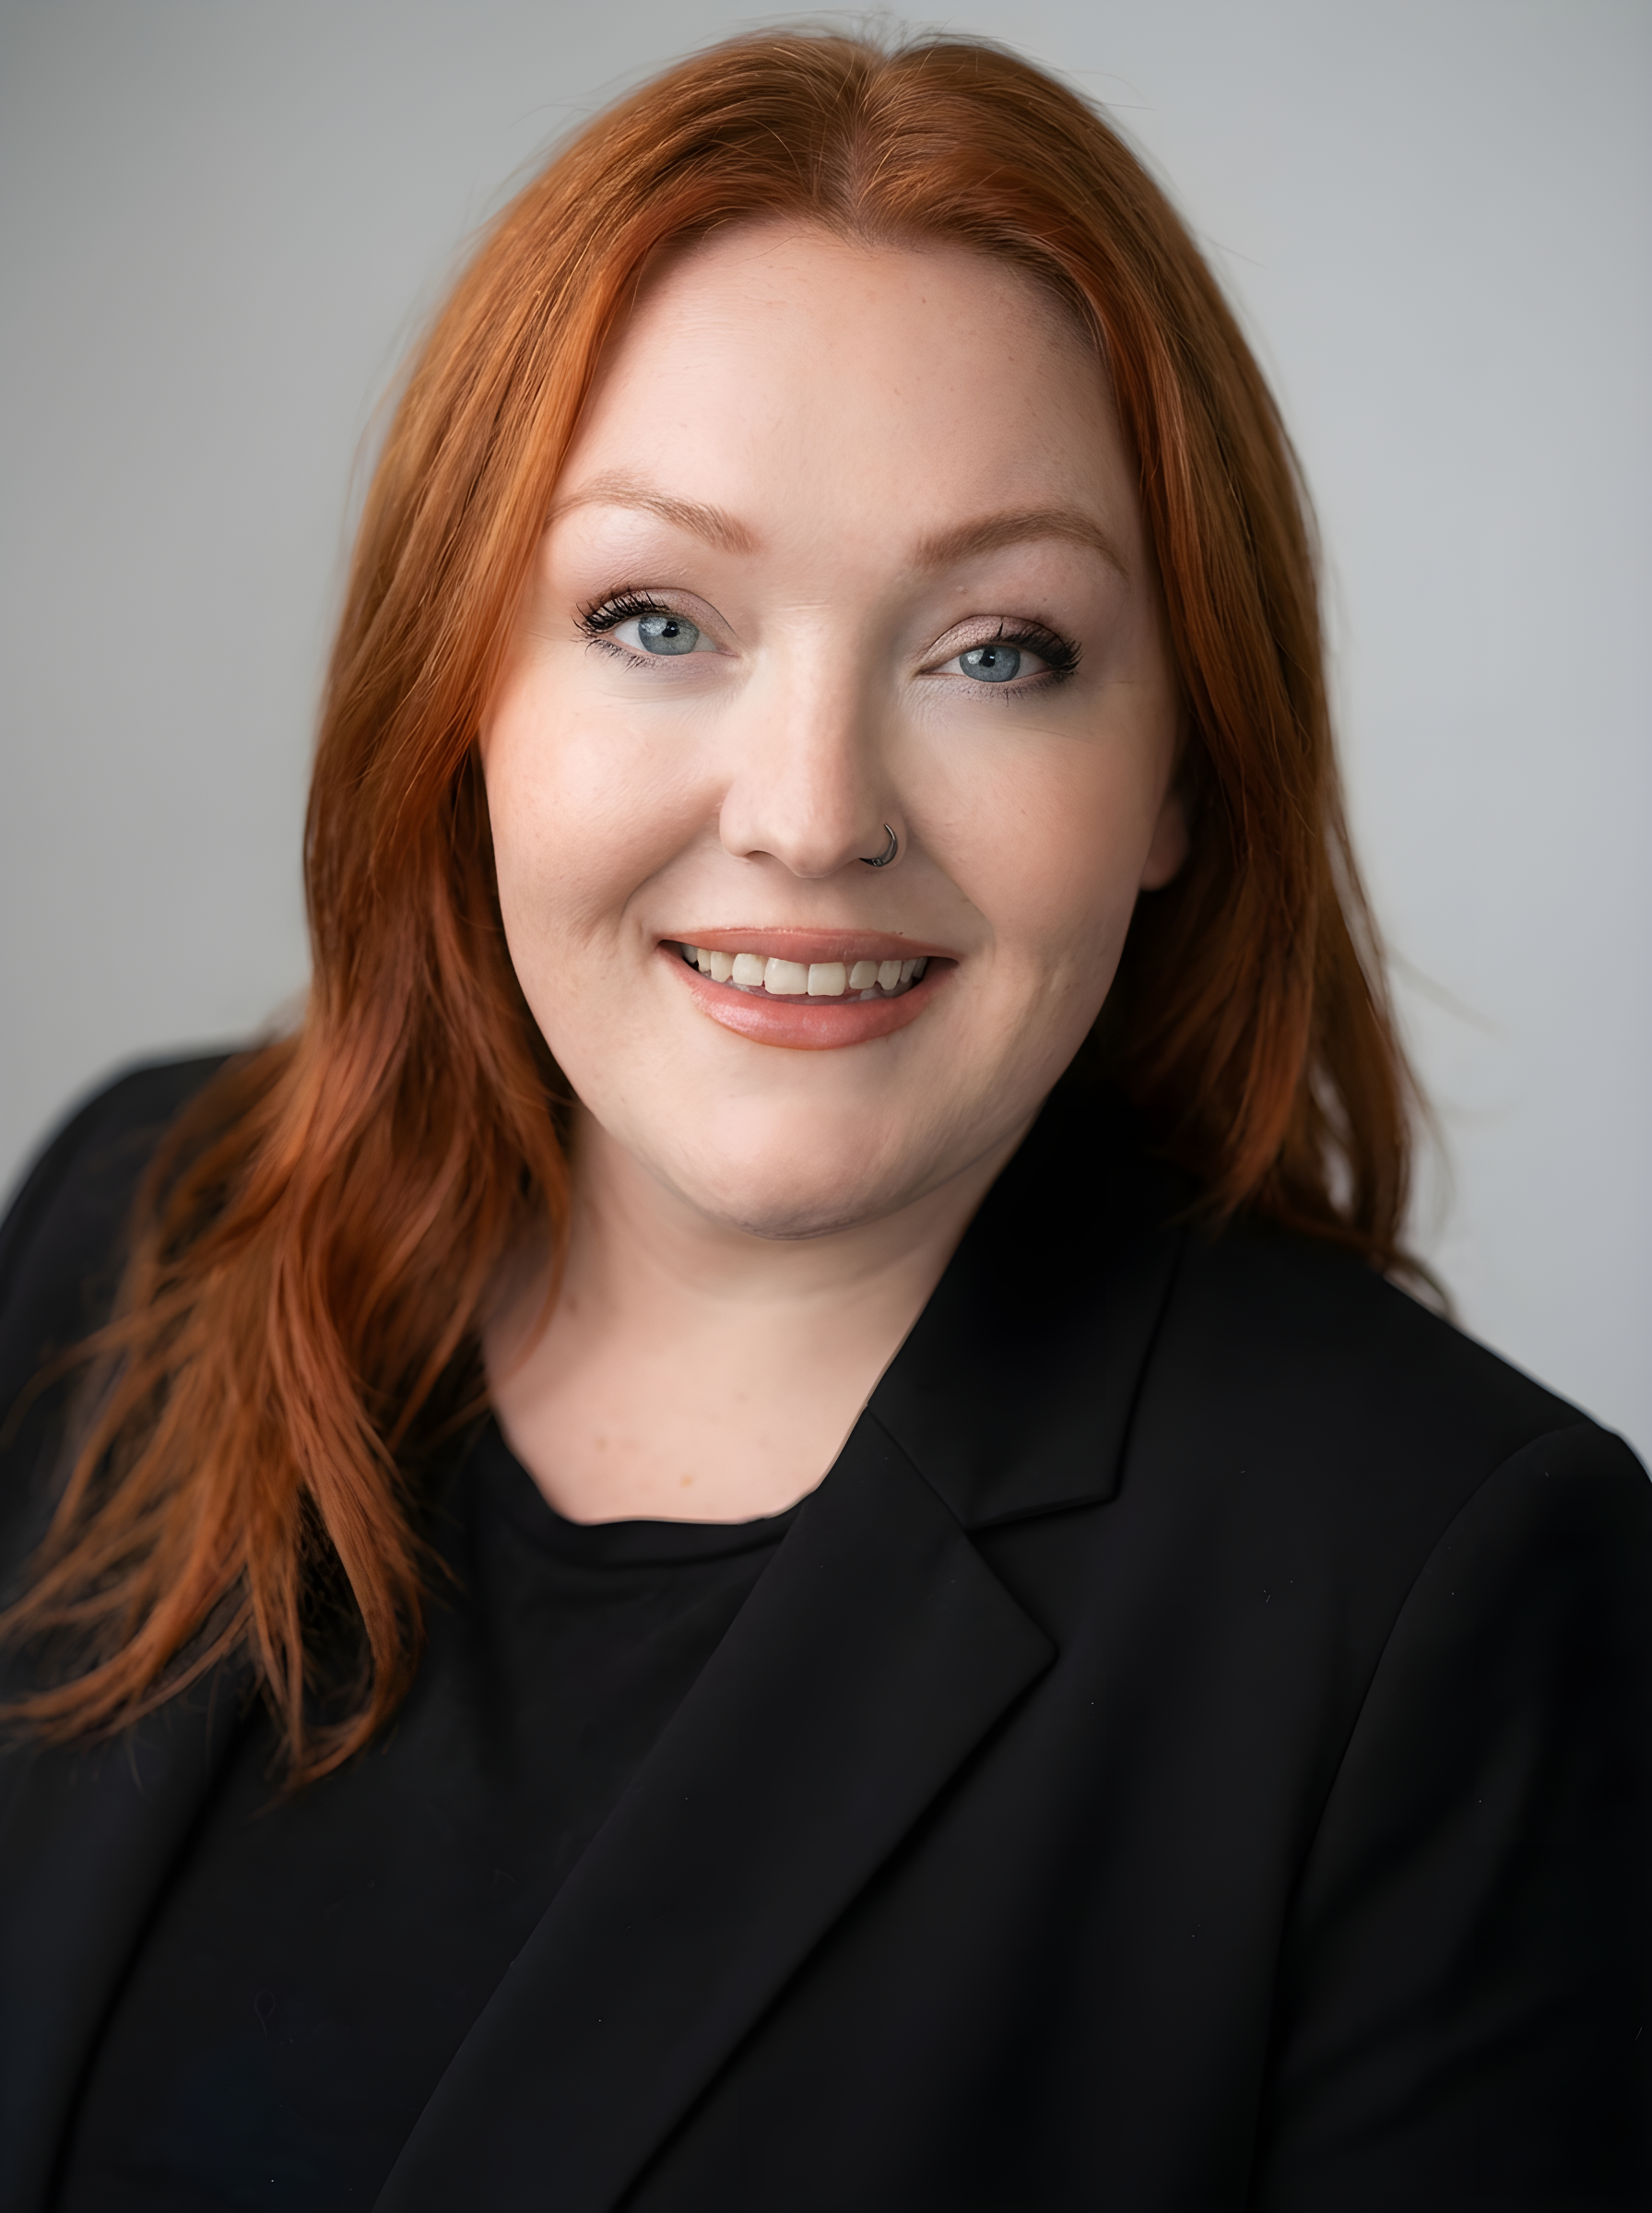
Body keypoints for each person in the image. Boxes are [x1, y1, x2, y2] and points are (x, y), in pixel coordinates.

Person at [1, 29, 1646, 2212]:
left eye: (995, 652)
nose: (806, 820)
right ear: (459, 701)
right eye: (653, 617)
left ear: (1176, 775)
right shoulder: (137, 1216)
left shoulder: (1439, 1590)